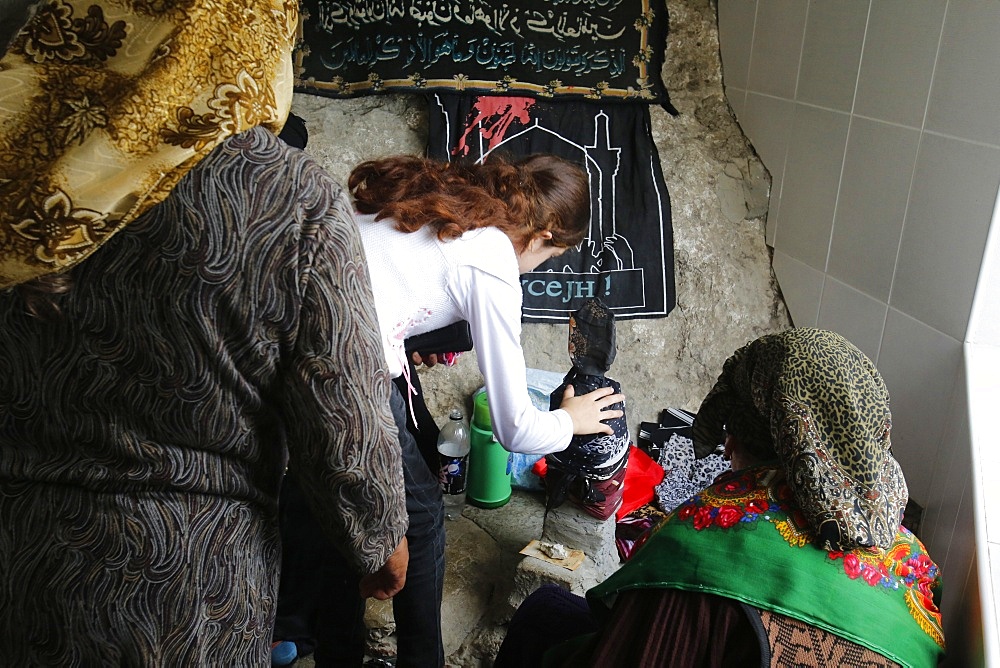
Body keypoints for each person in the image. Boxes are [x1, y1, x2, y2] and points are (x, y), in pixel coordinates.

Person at [0, 2, 409, 664]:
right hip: (189, 589)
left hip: (20, 562)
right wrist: (380, 545)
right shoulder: (287, 194)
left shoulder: (18, 155)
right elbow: (342, 421)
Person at [274, 153, 626, 667]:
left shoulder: (447, 201)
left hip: (288, 347)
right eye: (550, 258)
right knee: (422, 516)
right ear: (545, 235)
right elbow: (513, 428)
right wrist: (569, 422)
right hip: (343, 365)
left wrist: (409, 338)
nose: (539, 268)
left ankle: (329, 648)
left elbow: (383, 278)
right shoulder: (492, 259)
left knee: (327, 501)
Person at [495, 328, 946, 667]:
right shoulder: (914, 562)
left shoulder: (709, 530)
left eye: (729, 429)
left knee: (545, 613)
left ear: (739, 439)